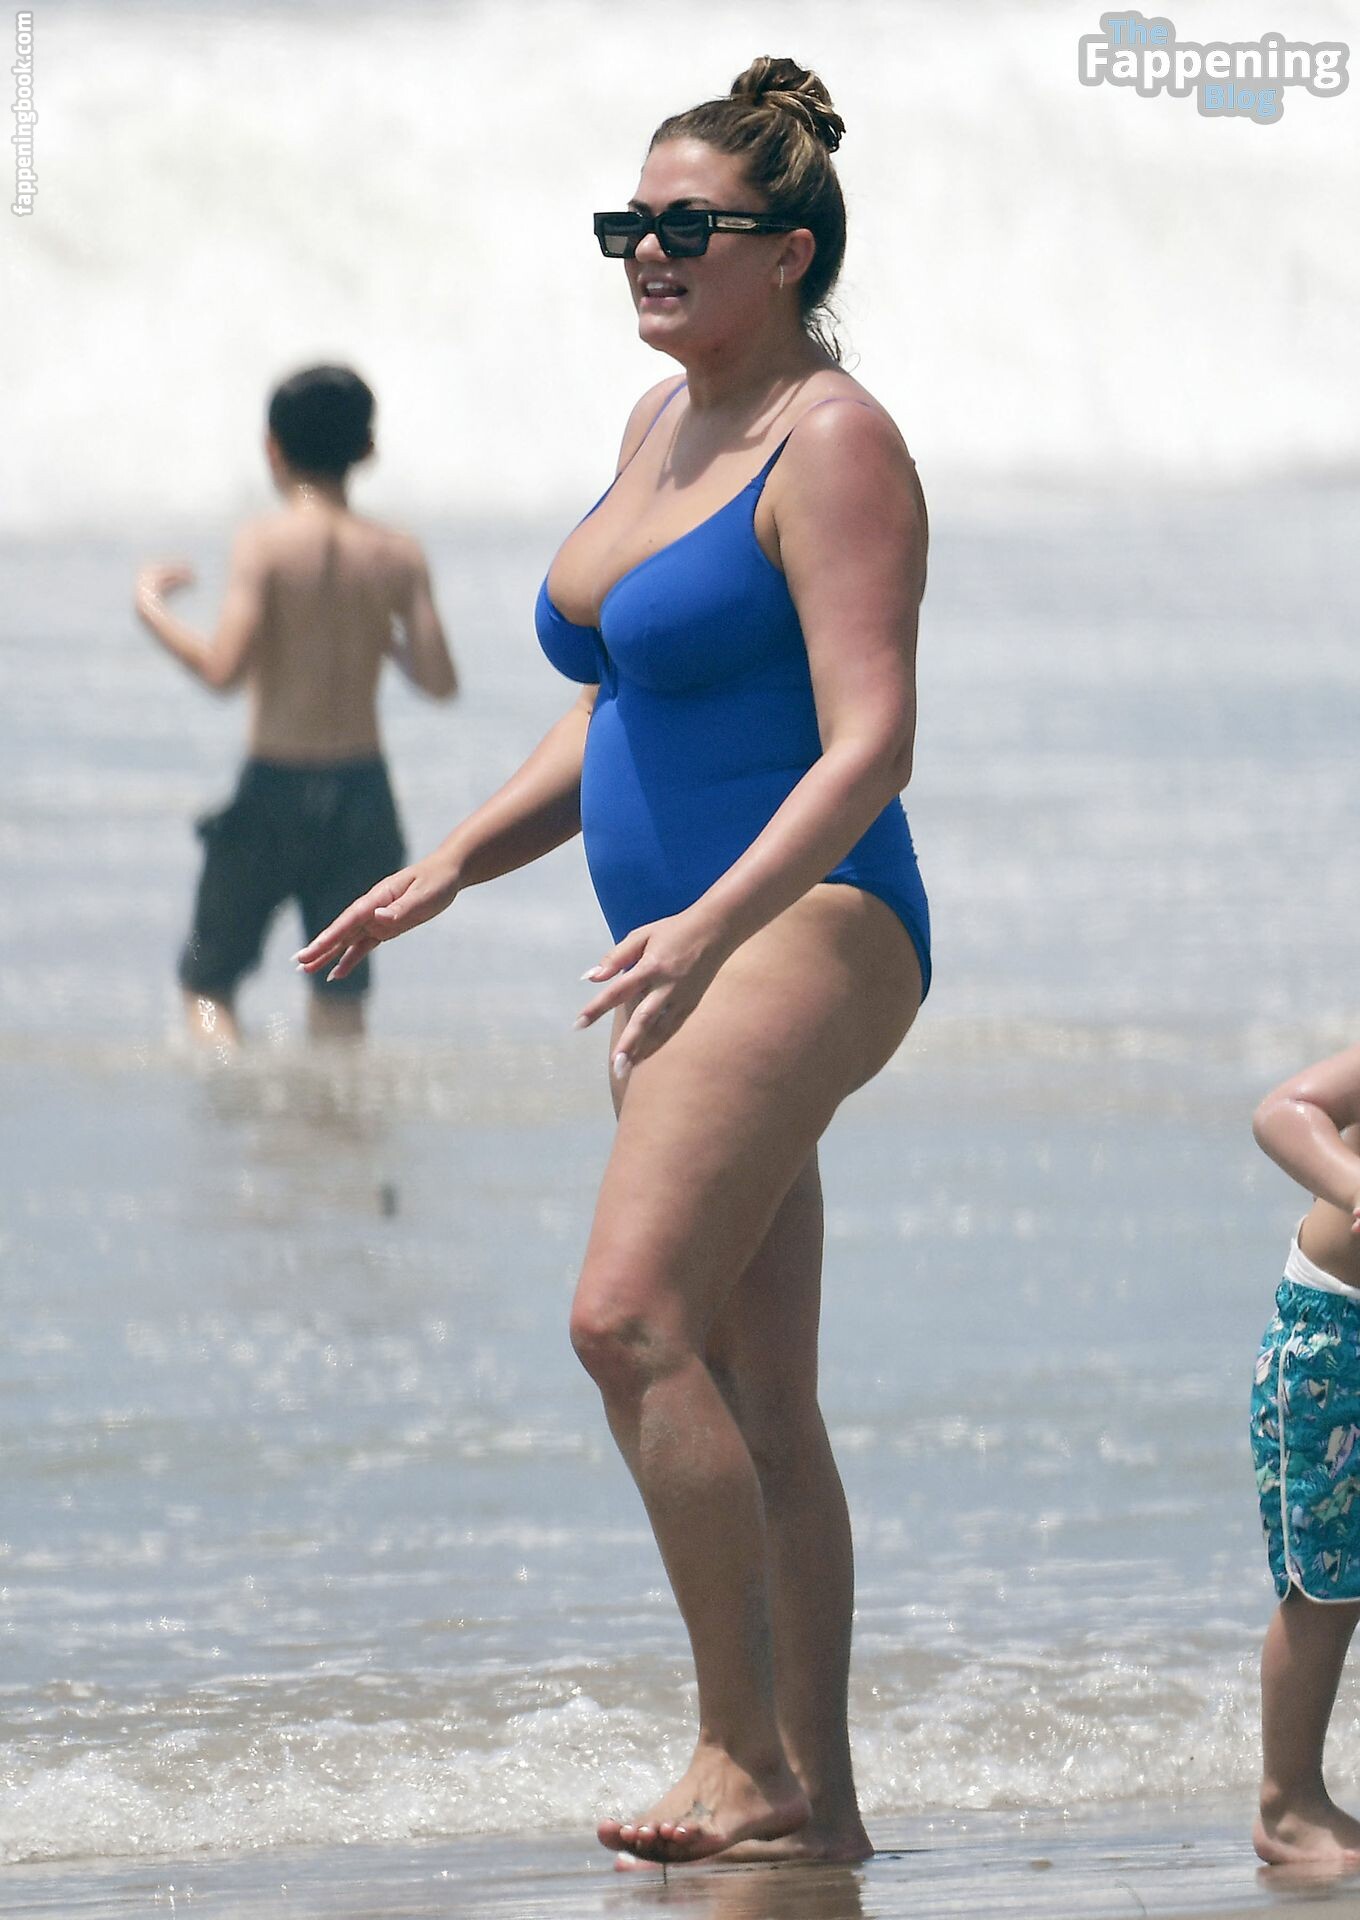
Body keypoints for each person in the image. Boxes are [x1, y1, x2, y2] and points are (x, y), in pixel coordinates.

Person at [297, 58, 929, 1865]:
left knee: (623, 1317)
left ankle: (742, 1758)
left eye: (685, 226)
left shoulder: (835, 442)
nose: (647, 253)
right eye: (626, 226)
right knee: (754, 1391)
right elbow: (617, 703)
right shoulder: (662, 421)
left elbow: (870, 744)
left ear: (788, 250)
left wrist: (717, 924)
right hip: (689, 952)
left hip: (811, 921)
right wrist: (451, 863)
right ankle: (819, 1814)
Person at [133, 364, 458, 1047]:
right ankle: (335, 1114)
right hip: (362, 794)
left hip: (273, 790)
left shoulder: (265, 543)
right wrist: (387, 646)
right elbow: (439, 681)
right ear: (366, 448)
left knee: (209, 984)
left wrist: (151, 608)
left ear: (272, 447)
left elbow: (223, 671)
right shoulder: (397, 554)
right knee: (340, 987)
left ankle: (233, 1095)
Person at [1250, 1044, 1360, 1865]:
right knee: (1327, 1580)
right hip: (1335, 1345)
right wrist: (1355, 1184)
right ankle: (1289, 1804)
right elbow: (1283, 1113)